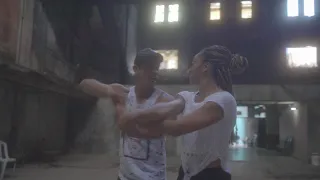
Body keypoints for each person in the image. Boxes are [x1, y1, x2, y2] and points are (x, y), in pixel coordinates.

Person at [117, 45, 248, 180]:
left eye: (193, 63)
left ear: (205, 67)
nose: (189, 69)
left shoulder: (224, 99)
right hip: (185, 173)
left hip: (211, 175)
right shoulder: (186, 96)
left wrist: (133, 122)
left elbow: (178, 127)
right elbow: (165, 108)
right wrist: (134, 114)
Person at [79, 48, 174, 180]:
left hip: (153, 176)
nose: (154, 72)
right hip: (125, 176)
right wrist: (110, 92)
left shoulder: (164, 100)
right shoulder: (123, 94)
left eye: (157, 68)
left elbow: (164, 129)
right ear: (136, 69)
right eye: (149, 68)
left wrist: (128, 118)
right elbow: (85, 84)